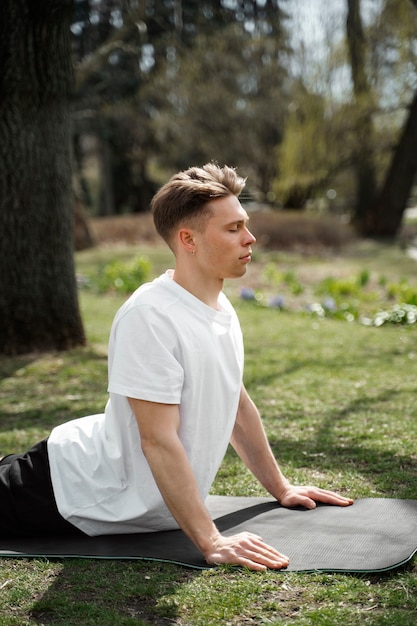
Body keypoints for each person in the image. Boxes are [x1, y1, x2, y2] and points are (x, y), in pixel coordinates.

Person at [0, 164, 353, 571]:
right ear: (188, 239)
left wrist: (282, 487)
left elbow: (234, 403)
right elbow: (157, 440)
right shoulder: (150, 315)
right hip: (68, 488)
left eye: (246, 225)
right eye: (233, 228)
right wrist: (212, 541)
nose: (250, 238)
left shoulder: (219, 307)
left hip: (120, 496)